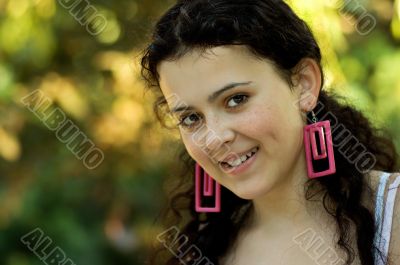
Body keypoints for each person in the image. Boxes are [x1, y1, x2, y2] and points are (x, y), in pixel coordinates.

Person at [139, 0, 400, 264]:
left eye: (236, 99)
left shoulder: (393, 215)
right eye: (191, 118)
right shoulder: (204, 251)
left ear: (303, 85)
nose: (214, 138)